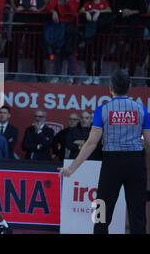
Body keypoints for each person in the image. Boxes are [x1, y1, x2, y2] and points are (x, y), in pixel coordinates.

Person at [59, 69, 150, 234]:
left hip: (111, 164)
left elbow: (91, 143)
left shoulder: (103, 109)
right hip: (136, 162)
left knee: (101, 212)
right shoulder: (141, 109)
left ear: (110, 88)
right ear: (130, 86)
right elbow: (149, 142)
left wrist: (71, 169)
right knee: (137, 213)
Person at [46, 0, 80, 84]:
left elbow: (73, 10)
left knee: (71, 53)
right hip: (59, 27)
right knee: (58, 52)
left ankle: (70, 76)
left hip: (71, 27)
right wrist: (53, 11)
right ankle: (57, 76)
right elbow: (49, 7)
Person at [80, 0, 113, 85]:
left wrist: (98, 11)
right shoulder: (88, 3)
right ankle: (89, 76)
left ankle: (97, 77)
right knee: (88, 55)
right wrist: (87, 12)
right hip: (89, 34)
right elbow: (81, 10)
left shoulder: (104, 3)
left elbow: (109, 10)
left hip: (100, 34)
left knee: (98, 56)